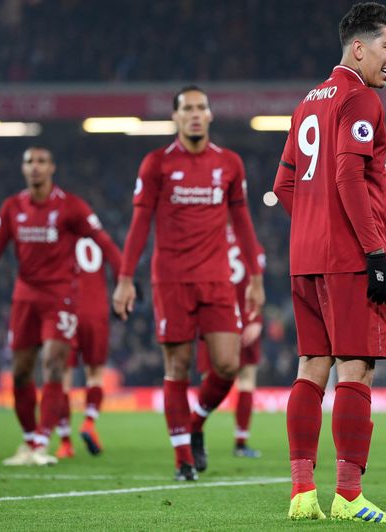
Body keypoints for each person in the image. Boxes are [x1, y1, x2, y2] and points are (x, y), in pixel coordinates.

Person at [272, 2, 386, 523]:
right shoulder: (361, 98)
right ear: (359, 47)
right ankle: (349, 497)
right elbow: (350, 177)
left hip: (304, 256)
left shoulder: (308, 102)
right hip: (349, 257)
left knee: (311, 368)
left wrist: (312, 223)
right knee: (357, 368)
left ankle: (302, 494)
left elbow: (283, 185)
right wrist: (373, 253)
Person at [113, 85, 265, 482]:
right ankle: (183, 458)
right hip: (172, 279)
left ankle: (196, 421)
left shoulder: (229, 163)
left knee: (229, 364)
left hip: (216, 278)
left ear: (210, 115)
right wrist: (125, 279)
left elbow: (243, 223)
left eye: (201, 108)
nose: (195, 114)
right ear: (176, 118)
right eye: (187, 109)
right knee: (177, 366)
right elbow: (139, 224)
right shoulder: (156, 164)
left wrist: (255, 276)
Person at [0, 146, 120, 466]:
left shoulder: (71, 206)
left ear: (52, 168)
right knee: (19, 374)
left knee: (55, 364)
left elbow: (106, 243)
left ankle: (44, 441)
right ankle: (30, 440)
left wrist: (123, 279)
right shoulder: (12, 207)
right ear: (23, 168)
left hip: (61, 297)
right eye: (29, 162)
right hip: (25, 298)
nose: (35, 167)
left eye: (41, 162)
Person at [192, 224, 266, 459]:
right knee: (246, 379)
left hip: (214, 315)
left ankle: (197, 436)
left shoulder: (206, 236)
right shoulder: (252, 244)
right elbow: (256, 284)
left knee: (209, 379)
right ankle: (241, 443)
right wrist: (256, 318)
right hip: (245, 317)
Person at [55, 235, 121, 459]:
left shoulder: (60, 237)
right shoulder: (100, 238)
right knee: (95, 375)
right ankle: (89, 422)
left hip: (68, 310)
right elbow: (119, 263)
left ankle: (65, 442)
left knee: (63, 378)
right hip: (96, 313)